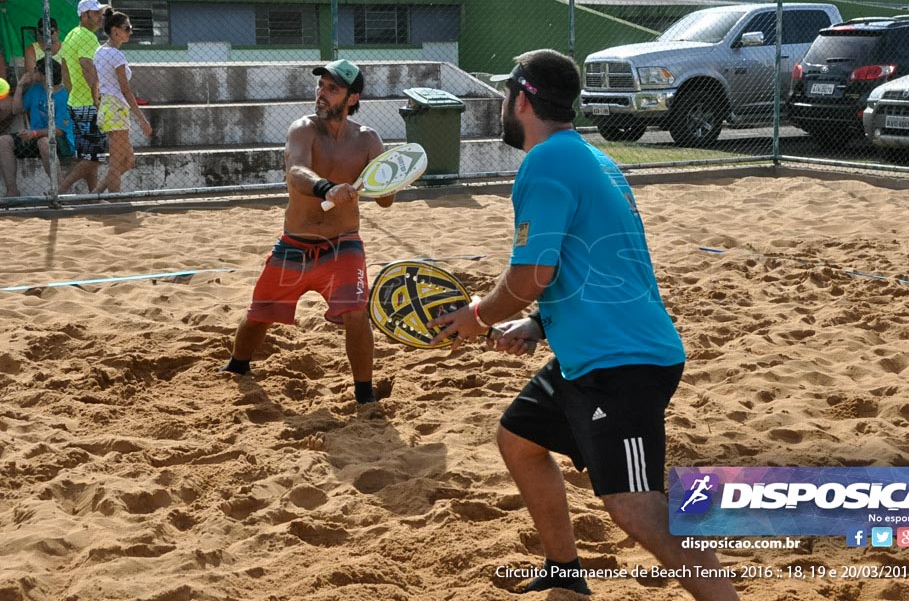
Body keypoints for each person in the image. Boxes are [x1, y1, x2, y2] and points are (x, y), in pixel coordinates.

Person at [428, 49, 740, 600]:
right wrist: (540, 326)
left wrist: (478, 316)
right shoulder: (593, 158)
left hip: (623, 363)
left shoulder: (544, 162)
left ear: (521, 99)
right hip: (591, 352)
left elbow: (531, 275)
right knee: (519, 439)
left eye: (506, 95)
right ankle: (566, 573)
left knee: (633, 506)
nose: (504, 105)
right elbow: (602, 266)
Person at [222, 60, 393, 405]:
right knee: (259, 316)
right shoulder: (303, 129)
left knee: (357, 313)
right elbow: (296, 173)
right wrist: (328, 188)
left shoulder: (368, 139)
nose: (322, 93)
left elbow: (386, 200)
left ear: (352, 97)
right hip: (296, 244)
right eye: (321, 86)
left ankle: (364, 395)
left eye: (333, 89)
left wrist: (389, 182)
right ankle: (237, 367)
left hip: (344, 245)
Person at [88, 8, 152, 194]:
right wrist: (142, 118)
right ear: (115, 30)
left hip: (109, 106)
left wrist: (98, 102)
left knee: (128, 161)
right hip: (115, 107)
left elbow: (96, 81)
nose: (130, 32)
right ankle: (114, 201)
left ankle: (94, 195)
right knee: (116, 163)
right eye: (127, 28)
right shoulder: (116, 55)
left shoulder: (100, 51)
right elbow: (125, 89)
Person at [0, 59, 74, 197]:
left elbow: (59, 131)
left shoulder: (63, 96)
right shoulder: (35, 89)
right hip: (34, 137)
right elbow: (16, 110)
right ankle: (12, 190)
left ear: (44, 75)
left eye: (36, 70)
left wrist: (34, 133)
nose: (32, 72)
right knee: (4, 141)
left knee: (44, 142)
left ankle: (59, 190)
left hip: (60, 141)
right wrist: (21, 85)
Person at [58, 0, 108, 194]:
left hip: (76, 103)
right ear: (84, 15)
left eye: (100, 13)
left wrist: (73, 92)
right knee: (95, 157)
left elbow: (64, 70)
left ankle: (93, 194)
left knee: (88, 156)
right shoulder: (87, 37)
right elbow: (89, 68)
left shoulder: (71, 35)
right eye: (95, 13)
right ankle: (61, 188)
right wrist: (97, 100)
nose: (100, 17)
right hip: (88, 104)